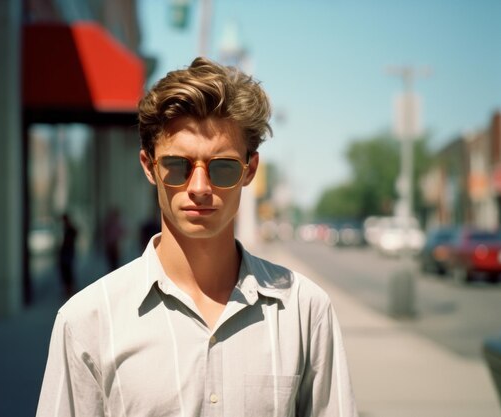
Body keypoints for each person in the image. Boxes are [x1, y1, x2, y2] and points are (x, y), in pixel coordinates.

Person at [36, 57, 358, 416]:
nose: (200, 187)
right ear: (149, 166)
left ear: (249, 170)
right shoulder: (87, 320)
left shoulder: (304, 310)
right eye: (178, 166)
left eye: (222, 167)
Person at [58, 213, 78, 298]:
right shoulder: (65, 229)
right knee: (66, 272)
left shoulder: (69, 229)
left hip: (67, 253)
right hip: (66, 253)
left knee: (68, 272)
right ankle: (68, 289)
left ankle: (70, 289)